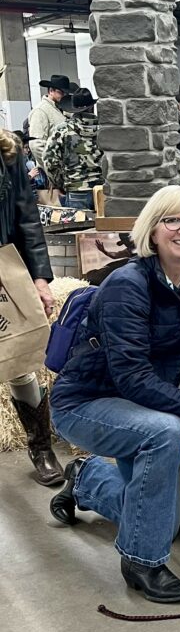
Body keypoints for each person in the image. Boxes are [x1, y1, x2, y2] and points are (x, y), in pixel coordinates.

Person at [48, 186, 180, 604]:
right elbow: (130, 377)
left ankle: (85, 478)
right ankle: (141, 563)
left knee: (162, 520)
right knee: (166, 433)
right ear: (153, 229)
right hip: (87, 402)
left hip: (138, 405)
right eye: (172, 220)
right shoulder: (127, 286)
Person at [0, 127, 64, 486]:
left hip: (5, 271)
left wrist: (40, 279)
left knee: (19, 363)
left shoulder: (7, 151)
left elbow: (27, 220)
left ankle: (41, 448)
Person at [42, 87, 102, 210]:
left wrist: (59, 183)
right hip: (102, 189)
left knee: (79, 222)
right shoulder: (104, 129)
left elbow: (49, 161)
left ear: (73, 109)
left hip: (75, 189)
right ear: (92, 107)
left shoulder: (63, 130)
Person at [27, 74, 73, 204]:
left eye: (65, 93)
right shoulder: (41, 111)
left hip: (62, 172)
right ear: (51, 91)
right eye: (61, 92)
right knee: (57, 210)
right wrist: (54, 170)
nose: (64, 95)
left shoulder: (60, 109)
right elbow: (36, 145)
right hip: (51, 175)